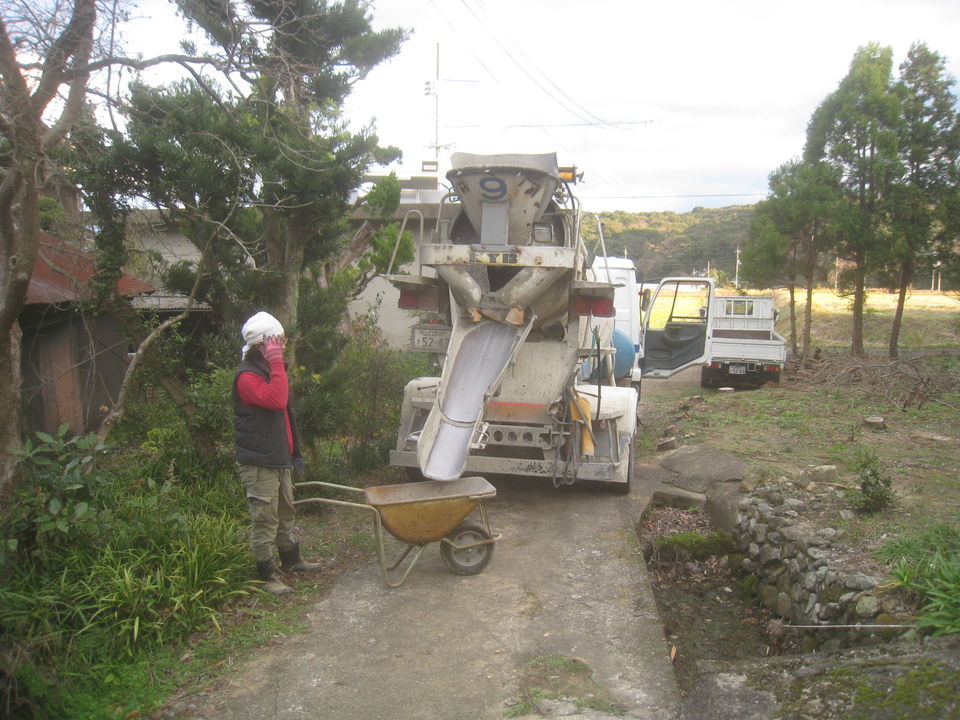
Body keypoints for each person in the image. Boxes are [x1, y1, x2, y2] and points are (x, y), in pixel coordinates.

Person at [233, 311, 321, 595]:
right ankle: (266, 575)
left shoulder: (269, 370)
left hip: (277, 457)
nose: (283, 345)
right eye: (278, 340)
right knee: (265, 518)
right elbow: (276, 400)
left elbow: (285, 411)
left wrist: (294, 452)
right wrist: (276, 363)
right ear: (262, 344)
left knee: (285, 511)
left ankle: (292, 561)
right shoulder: (247, 377)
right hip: (259, 461)